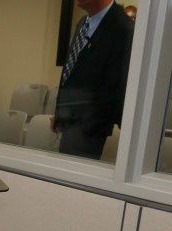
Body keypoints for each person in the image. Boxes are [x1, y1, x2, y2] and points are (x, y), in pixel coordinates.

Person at [52, 0, 133, 159]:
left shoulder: (123, 28)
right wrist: (60, 112)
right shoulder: (83, 23)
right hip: (70, 121)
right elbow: (73, 71)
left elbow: (116, 86)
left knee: (73, 178)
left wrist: (87, 126)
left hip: (88, 129)